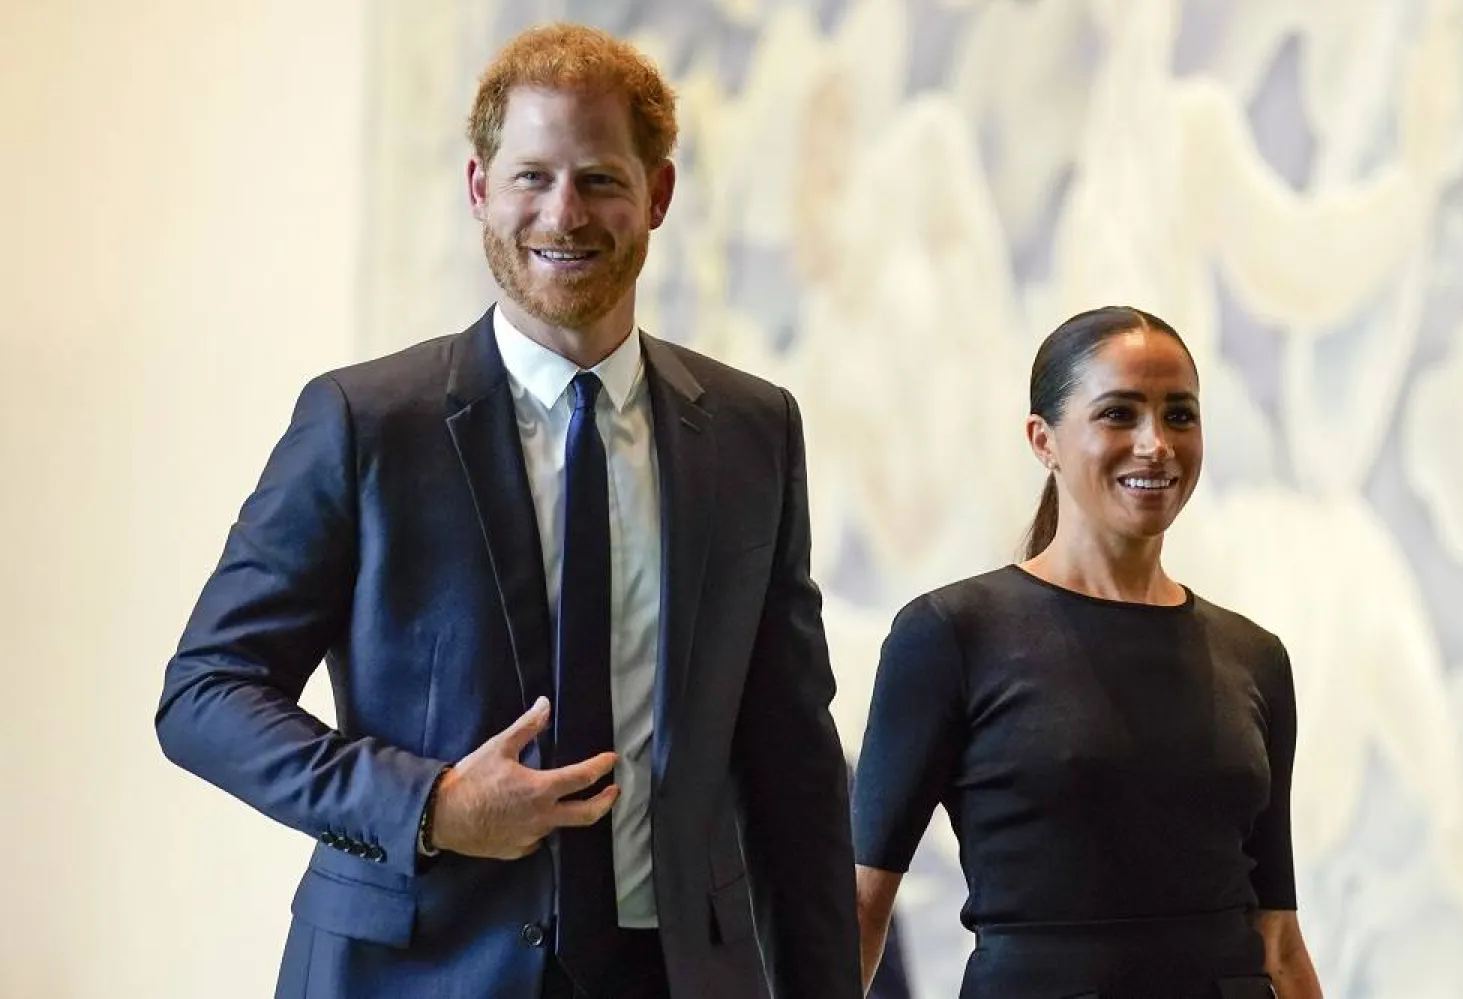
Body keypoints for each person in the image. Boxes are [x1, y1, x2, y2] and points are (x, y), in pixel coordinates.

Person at [155, 22, 860, 999]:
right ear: (479, 187)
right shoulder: (365, 422)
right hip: (410, 973)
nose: (564, 214)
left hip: (672, 975)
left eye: (600, 179)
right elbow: (205, 695)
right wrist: (431, 805)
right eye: (532, 176)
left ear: (657, 194)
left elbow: (795, 765)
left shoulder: (752, 431)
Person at [851, 306, 1323, 999]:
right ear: (1043, 440)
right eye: (1118, 414)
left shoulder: (1255, 658)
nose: (1155, 443)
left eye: (1180, 415)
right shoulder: (951, 634)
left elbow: (1277, 937)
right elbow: (862, 907)